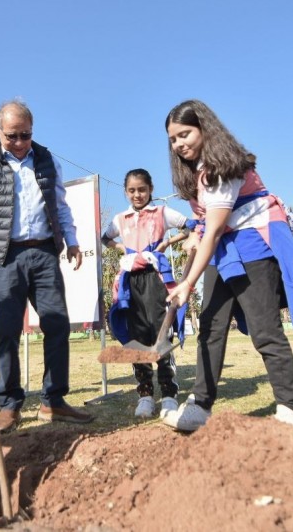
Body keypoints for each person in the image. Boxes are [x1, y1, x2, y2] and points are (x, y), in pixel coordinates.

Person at [160, 100, 293, 433]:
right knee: (210, 327)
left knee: (265, 329)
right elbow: (206, 223)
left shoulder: (222, 168)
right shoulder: (197, 172)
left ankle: (290, 409)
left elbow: (213, 230)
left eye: (185, 134)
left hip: (253, 243)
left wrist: (187, 283)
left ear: (204, 128)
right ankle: (200, 405)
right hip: (224, 248)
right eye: (173, 139)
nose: (179, 144)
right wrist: (194, 235)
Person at [0, 100, 94, 435]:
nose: (20, 142)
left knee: (57, 323)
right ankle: (9, 404)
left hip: (44, 252)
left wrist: (72, 240)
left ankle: (54, 400)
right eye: (12, 136)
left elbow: (60, 205)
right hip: (2, 256)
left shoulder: (47, 160)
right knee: (6, 330)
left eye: (26, 135)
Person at [101, 169, 191, 419]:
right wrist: (121, 248)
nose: (137, 195)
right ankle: (145, 395)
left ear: (150, 189)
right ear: (125, 192)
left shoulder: (162, 212)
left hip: (156, 278)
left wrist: (167, 243)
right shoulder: (120, 219)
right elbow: (105, 238)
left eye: (142, 189)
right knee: (136, 335)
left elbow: (190, 226)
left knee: (161, 332)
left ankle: (169, 394)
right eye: (132, 190)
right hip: (131, 281)